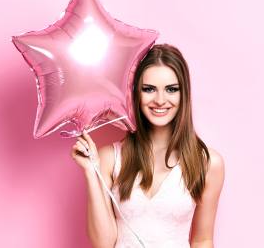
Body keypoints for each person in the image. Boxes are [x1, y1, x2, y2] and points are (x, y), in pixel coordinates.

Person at [71, 43, 225, 248]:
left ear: (184, 94)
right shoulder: (110, 158)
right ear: (136, 93)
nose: (160, 100)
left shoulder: (208, 163)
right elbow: (104, 243)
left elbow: (202, 240)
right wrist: (91, 172)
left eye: (171, 89)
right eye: (149, 89)